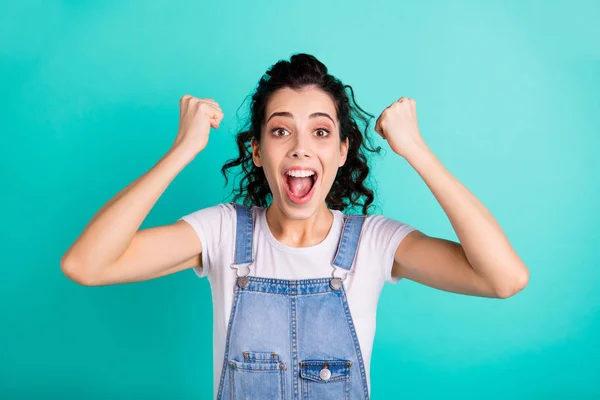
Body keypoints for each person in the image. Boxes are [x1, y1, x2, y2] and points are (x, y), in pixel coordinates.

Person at [61, 53, 530, 400]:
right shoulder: (222, 233)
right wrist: (182, 150)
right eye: (281, 130)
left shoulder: (374, 243)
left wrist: (416, 150)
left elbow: (503, 278)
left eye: (321, 132)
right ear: (258, 151)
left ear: (343, 152)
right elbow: (86, 264)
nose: (301, 148)